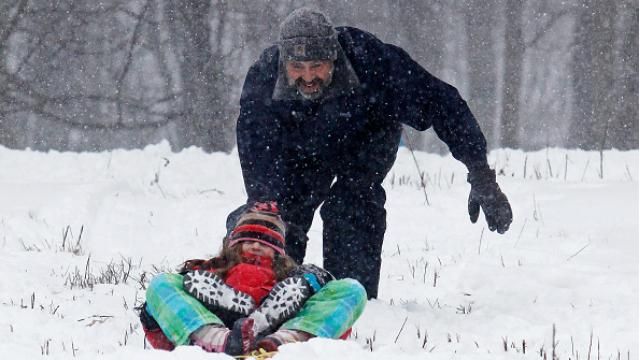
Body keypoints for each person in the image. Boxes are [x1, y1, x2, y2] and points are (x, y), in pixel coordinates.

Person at [233, 7, 513, 299]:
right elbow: (256, 148)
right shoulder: (264, 78)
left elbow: (444, 105)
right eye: (297, 68)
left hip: (365, 141)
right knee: (276, 215)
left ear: (333, 57)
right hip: (299, 152)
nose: (307, 77)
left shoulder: (374, 62)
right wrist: (262, 204)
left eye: (316, 66)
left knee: (353, 206)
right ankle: (265, 290)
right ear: (284, 64)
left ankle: (351, 296)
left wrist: (481, 174)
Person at [139, 201, 366, 355]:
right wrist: (152, 314)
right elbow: (163, 317)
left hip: (280, 334)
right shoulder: (208, 271)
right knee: (162, 284)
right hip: (213, 336)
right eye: (249, 240)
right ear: (232, 244)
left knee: (352, 289)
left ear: (279, 252)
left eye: (265, 242)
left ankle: (285, 339)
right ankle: (220, 340)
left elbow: (336, 317)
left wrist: (309, 283)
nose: (256, 245)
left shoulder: (293, 278)